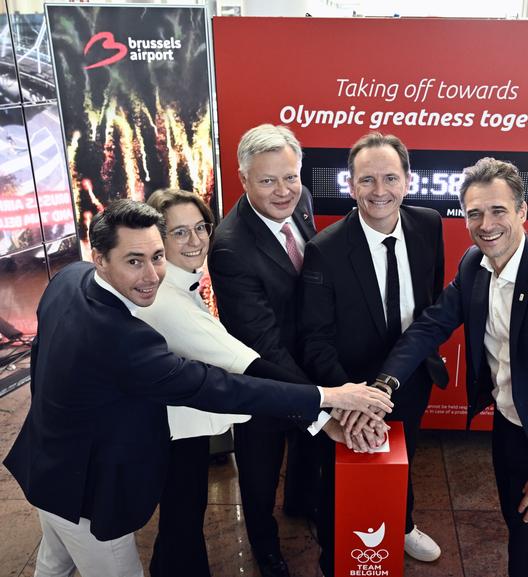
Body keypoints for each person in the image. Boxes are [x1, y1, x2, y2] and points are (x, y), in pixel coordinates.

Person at [2, 199, 392, 577]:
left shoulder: (69, 278)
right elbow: (222, 387)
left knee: (52, 566)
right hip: (85, 494)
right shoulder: (122, 338)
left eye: (156, 256)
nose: (152, 275)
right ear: (100, 258)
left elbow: (42, 355)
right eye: (134, 261)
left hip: (48, 466)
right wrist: (328, 397)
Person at [356, 158, 528, 577]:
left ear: (522, 212)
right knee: (518, 529)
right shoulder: (472, 266)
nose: (486, 223)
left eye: (498, 210)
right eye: (475, 213)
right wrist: (384, 384)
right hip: (511, 429)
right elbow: (430, 326)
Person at [135, 189, 344, 577]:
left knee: (184, 519)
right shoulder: (170, 300)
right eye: (179, 232)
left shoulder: (181, 281)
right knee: (181, 523)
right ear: (157, 237)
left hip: (185, 425)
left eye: (200, 227)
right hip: (171, 434)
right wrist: (326, 408)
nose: (195, 240)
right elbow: (249, 365)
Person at [301, 132, 448, 574]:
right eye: (367, 180)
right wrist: (349, 404)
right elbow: (315, 339)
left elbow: (431, 304)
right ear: (350, 185)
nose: (378, 191)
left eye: (389, 178)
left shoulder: (428, 225)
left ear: (408, 181)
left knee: (404, 460)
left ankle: (401, 526)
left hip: (411, 378)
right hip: (352, 387)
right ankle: (334, 555)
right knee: (341, 479)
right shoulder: (324, 249)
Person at [208, 124, 319, 577]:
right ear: (244, 179)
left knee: (306, 451)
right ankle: (264, 546)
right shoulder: (231, 247)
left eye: (290, 177)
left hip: (306, 359)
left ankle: (299, 504)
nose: (284, 191)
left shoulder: (303, 200)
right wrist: (316, 397)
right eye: (268, 180)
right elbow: (262, 343)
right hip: (261, 375)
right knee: (259, 470)